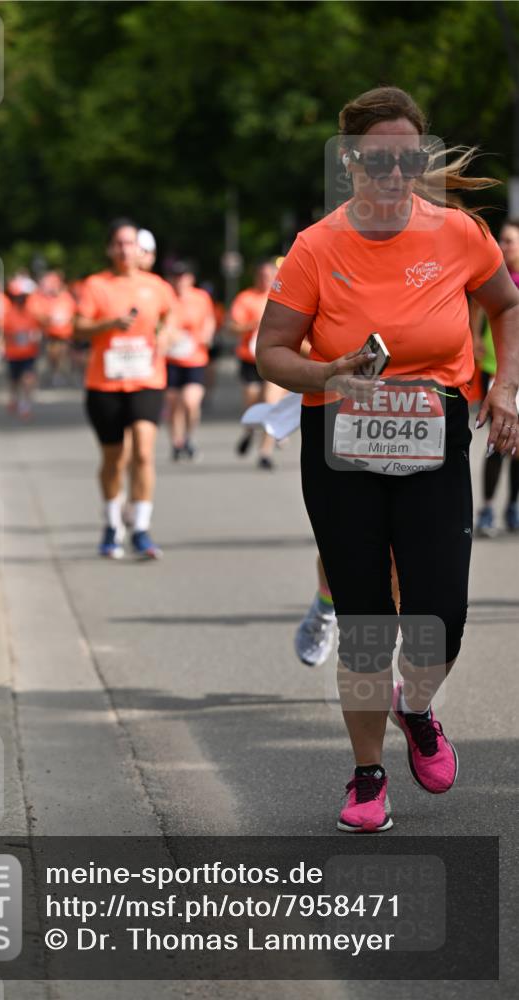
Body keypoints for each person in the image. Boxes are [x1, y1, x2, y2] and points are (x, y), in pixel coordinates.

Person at [256, 86, 519, 833]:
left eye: (408, 158)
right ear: (350, 160)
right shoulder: (317, 245)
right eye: (377, 160)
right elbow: (270, 349)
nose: (394, 172)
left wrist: (505, 388)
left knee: (443, 615)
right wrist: (326, 373)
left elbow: (506, 304)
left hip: (434, 435)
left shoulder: (458, 233)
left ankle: (417, 706)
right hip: (340, 444)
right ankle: (367, 775)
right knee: (367, 616)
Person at [75, 219, 175, 559]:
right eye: (118, 243)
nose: (124, 249)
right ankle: (112, 523)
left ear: (139, 249)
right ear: (109, 249)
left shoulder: (156, 285)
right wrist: (110, 324)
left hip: (147, 379)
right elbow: (78, 327)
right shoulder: (95, 285)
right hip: (105, 383)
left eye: (130, 243)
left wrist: (165, 335)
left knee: (144, 452)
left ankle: (142, 529)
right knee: (114, 460)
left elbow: (171, 318)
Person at [473, 219, 519, 535]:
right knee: (498, 442)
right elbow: (477, 307)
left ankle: (512, 507)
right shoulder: (495, 275)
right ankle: (487, 508)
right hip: (497, 368)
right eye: (502, 240)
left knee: (518, 449)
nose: (504, 246)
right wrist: (474, 337)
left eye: (509, 241)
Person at [229, 259, 287, 469]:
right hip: (250, 360)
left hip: (275, 359)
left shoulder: (284, 297)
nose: (265, 279)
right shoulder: (245, 298)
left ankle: (265, 452)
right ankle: (249, 430)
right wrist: (250, 326)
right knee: (253, 404)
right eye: (261, 275)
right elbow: (231, 327)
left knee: (271, 403)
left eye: (269, 275)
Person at [164, 260, 216, 460]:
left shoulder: (201, 297)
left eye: (183, 276)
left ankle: (189, 437)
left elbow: (209, 319)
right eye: (176, 277)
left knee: (190, 402)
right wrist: (169, 335)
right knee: (173, 404)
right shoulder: (166, 297)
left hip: (195, 358)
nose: (180, 281)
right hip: (171, 359)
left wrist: (207, 333)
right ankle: (176, 442)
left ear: (190, 279)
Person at [27, 271, 76, 386]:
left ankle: (60, 375)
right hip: (49, 333)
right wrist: (47, 319)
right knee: (51, 355)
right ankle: (51, 375)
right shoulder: (42, 298)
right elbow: (37, 314)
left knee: (62, 355)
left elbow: (72, 313)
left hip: (64, 333)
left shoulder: (66, 297)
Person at [2, 278, 42, 418]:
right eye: (19, 297)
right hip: (13, 353)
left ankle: (25, 404)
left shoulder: (31, 313)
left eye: (24, 297)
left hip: (28, 353)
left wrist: (35, 338)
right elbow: (5, 333)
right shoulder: (9, 314)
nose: (22, 300)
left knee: (27, 379)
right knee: (14, 380)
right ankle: (14, 398)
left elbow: (37, 330)